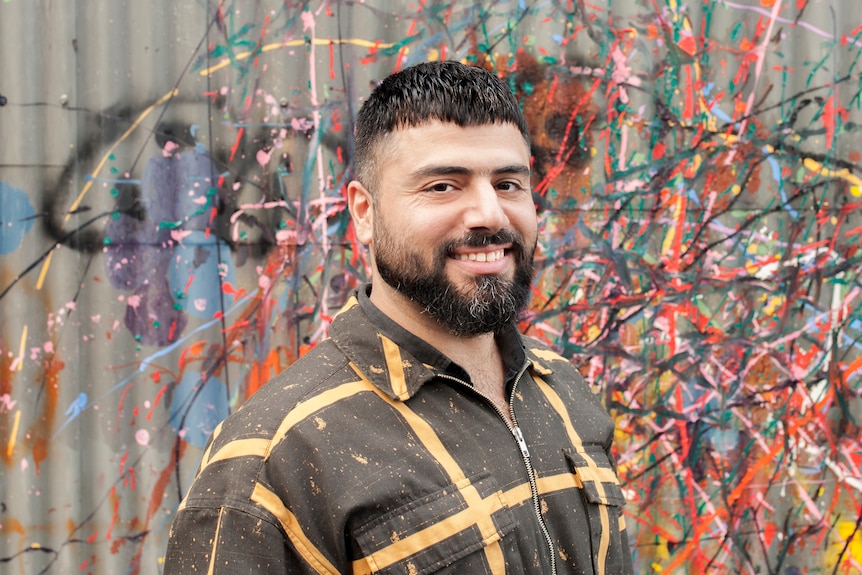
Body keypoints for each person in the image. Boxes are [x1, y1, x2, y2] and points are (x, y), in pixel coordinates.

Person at [164, 60, 632, 575]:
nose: (490, 215)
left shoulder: (560, 388)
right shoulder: (277, 456)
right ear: (364, 213)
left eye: (507, 184)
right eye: (442, 186)